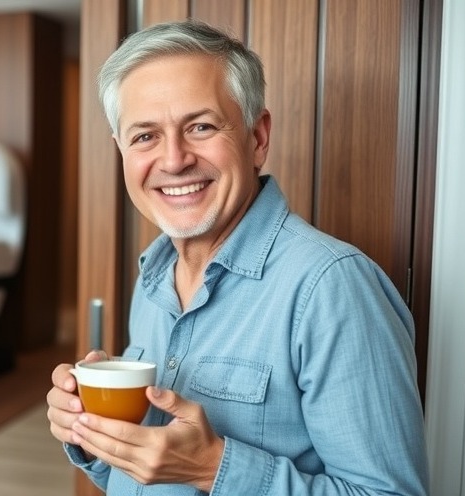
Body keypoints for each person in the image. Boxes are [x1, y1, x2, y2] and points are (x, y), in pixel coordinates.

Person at [46, 19, 428, 495]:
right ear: (122, 151)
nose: (174, 160)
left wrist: (212, 467)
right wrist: (89, 432)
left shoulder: (332, 287)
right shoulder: (153, 277)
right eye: (145, 136)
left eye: (201, 127)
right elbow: (145, 473)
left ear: (258, 138)